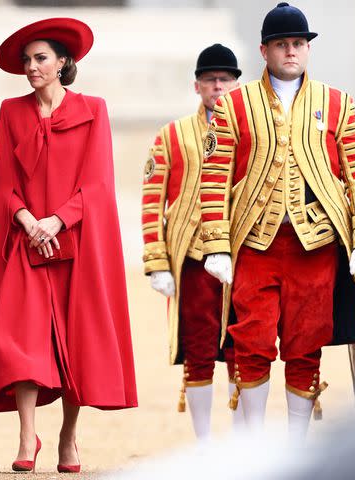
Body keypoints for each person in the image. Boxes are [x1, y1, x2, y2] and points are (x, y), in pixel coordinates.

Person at [200, 2, 355, 439]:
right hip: (256, 243)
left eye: (298, 43)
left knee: (306, 344)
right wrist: (217, 244)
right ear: (264, 50)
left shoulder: (336, 103)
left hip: (315, 244)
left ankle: (297, 444)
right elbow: (216, 175)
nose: (291, 51)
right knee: (253, 341)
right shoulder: (235, 105)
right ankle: (254, 443)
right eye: (282, 44)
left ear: (308, 49)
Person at [0, 17, 137, 473]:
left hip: (76, 243)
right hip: (27, 242)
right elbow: (4, 181)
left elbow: (98, 184)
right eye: (27, 60)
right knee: (18, 339)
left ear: (64, 62)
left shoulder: (94, 109)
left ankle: (68, 437)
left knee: (75, 345)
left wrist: (56, 221)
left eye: (40, 58)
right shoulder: (11, 111)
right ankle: (28, 436)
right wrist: (28, 222)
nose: (31, 67)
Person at [142, 43, 243, 440]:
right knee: (198, 351)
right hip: (192, 258)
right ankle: (204, 443)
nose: (218, 87)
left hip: (242, 253)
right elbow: (153, 200)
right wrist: (157, 261)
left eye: (225, 80)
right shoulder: (172, 135)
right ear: (197, 86)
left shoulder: (252, 130)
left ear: (237, 85)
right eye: (210, 80)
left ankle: (242, 442)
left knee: (244, 347)